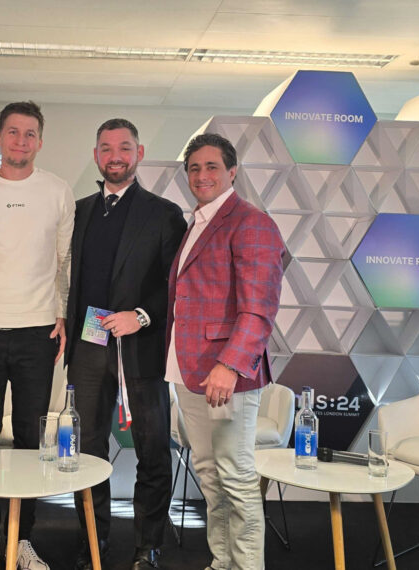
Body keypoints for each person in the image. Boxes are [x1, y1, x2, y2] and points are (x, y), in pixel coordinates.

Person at [0, 101, 74, 570]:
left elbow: (64, 261)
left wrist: (62, 314)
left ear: (40, 141)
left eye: (30, 134)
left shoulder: (57, 191)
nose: (21, 141)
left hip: (37, 331)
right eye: (13, 132)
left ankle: (21, 539)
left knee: (30, 437)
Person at [63, 119, 187, 570]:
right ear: (96, 155)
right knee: (87, 451)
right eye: (106, 147)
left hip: (142, 345)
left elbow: (177, 283)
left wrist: (142, 315)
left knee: (152, 450)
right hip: (89, 343)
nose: (115, 155)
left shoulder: (164, 213)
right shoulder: (78, 211)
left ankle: (147, 546)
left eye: (124, 147)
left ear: (139, 153)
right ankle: (92, 543)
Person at [166, 133, 284, 570]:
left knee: (236, 477)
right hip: (188, 370)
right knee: (210, 476)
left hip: (225, 375)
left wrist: (230, 365)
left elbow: (259, 307)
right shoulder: (197, 222)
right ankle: (222, 562)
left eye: (212, 166)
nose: (202, 175)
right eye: (194, 168)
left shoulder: (251, 222)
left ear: (232, 172)